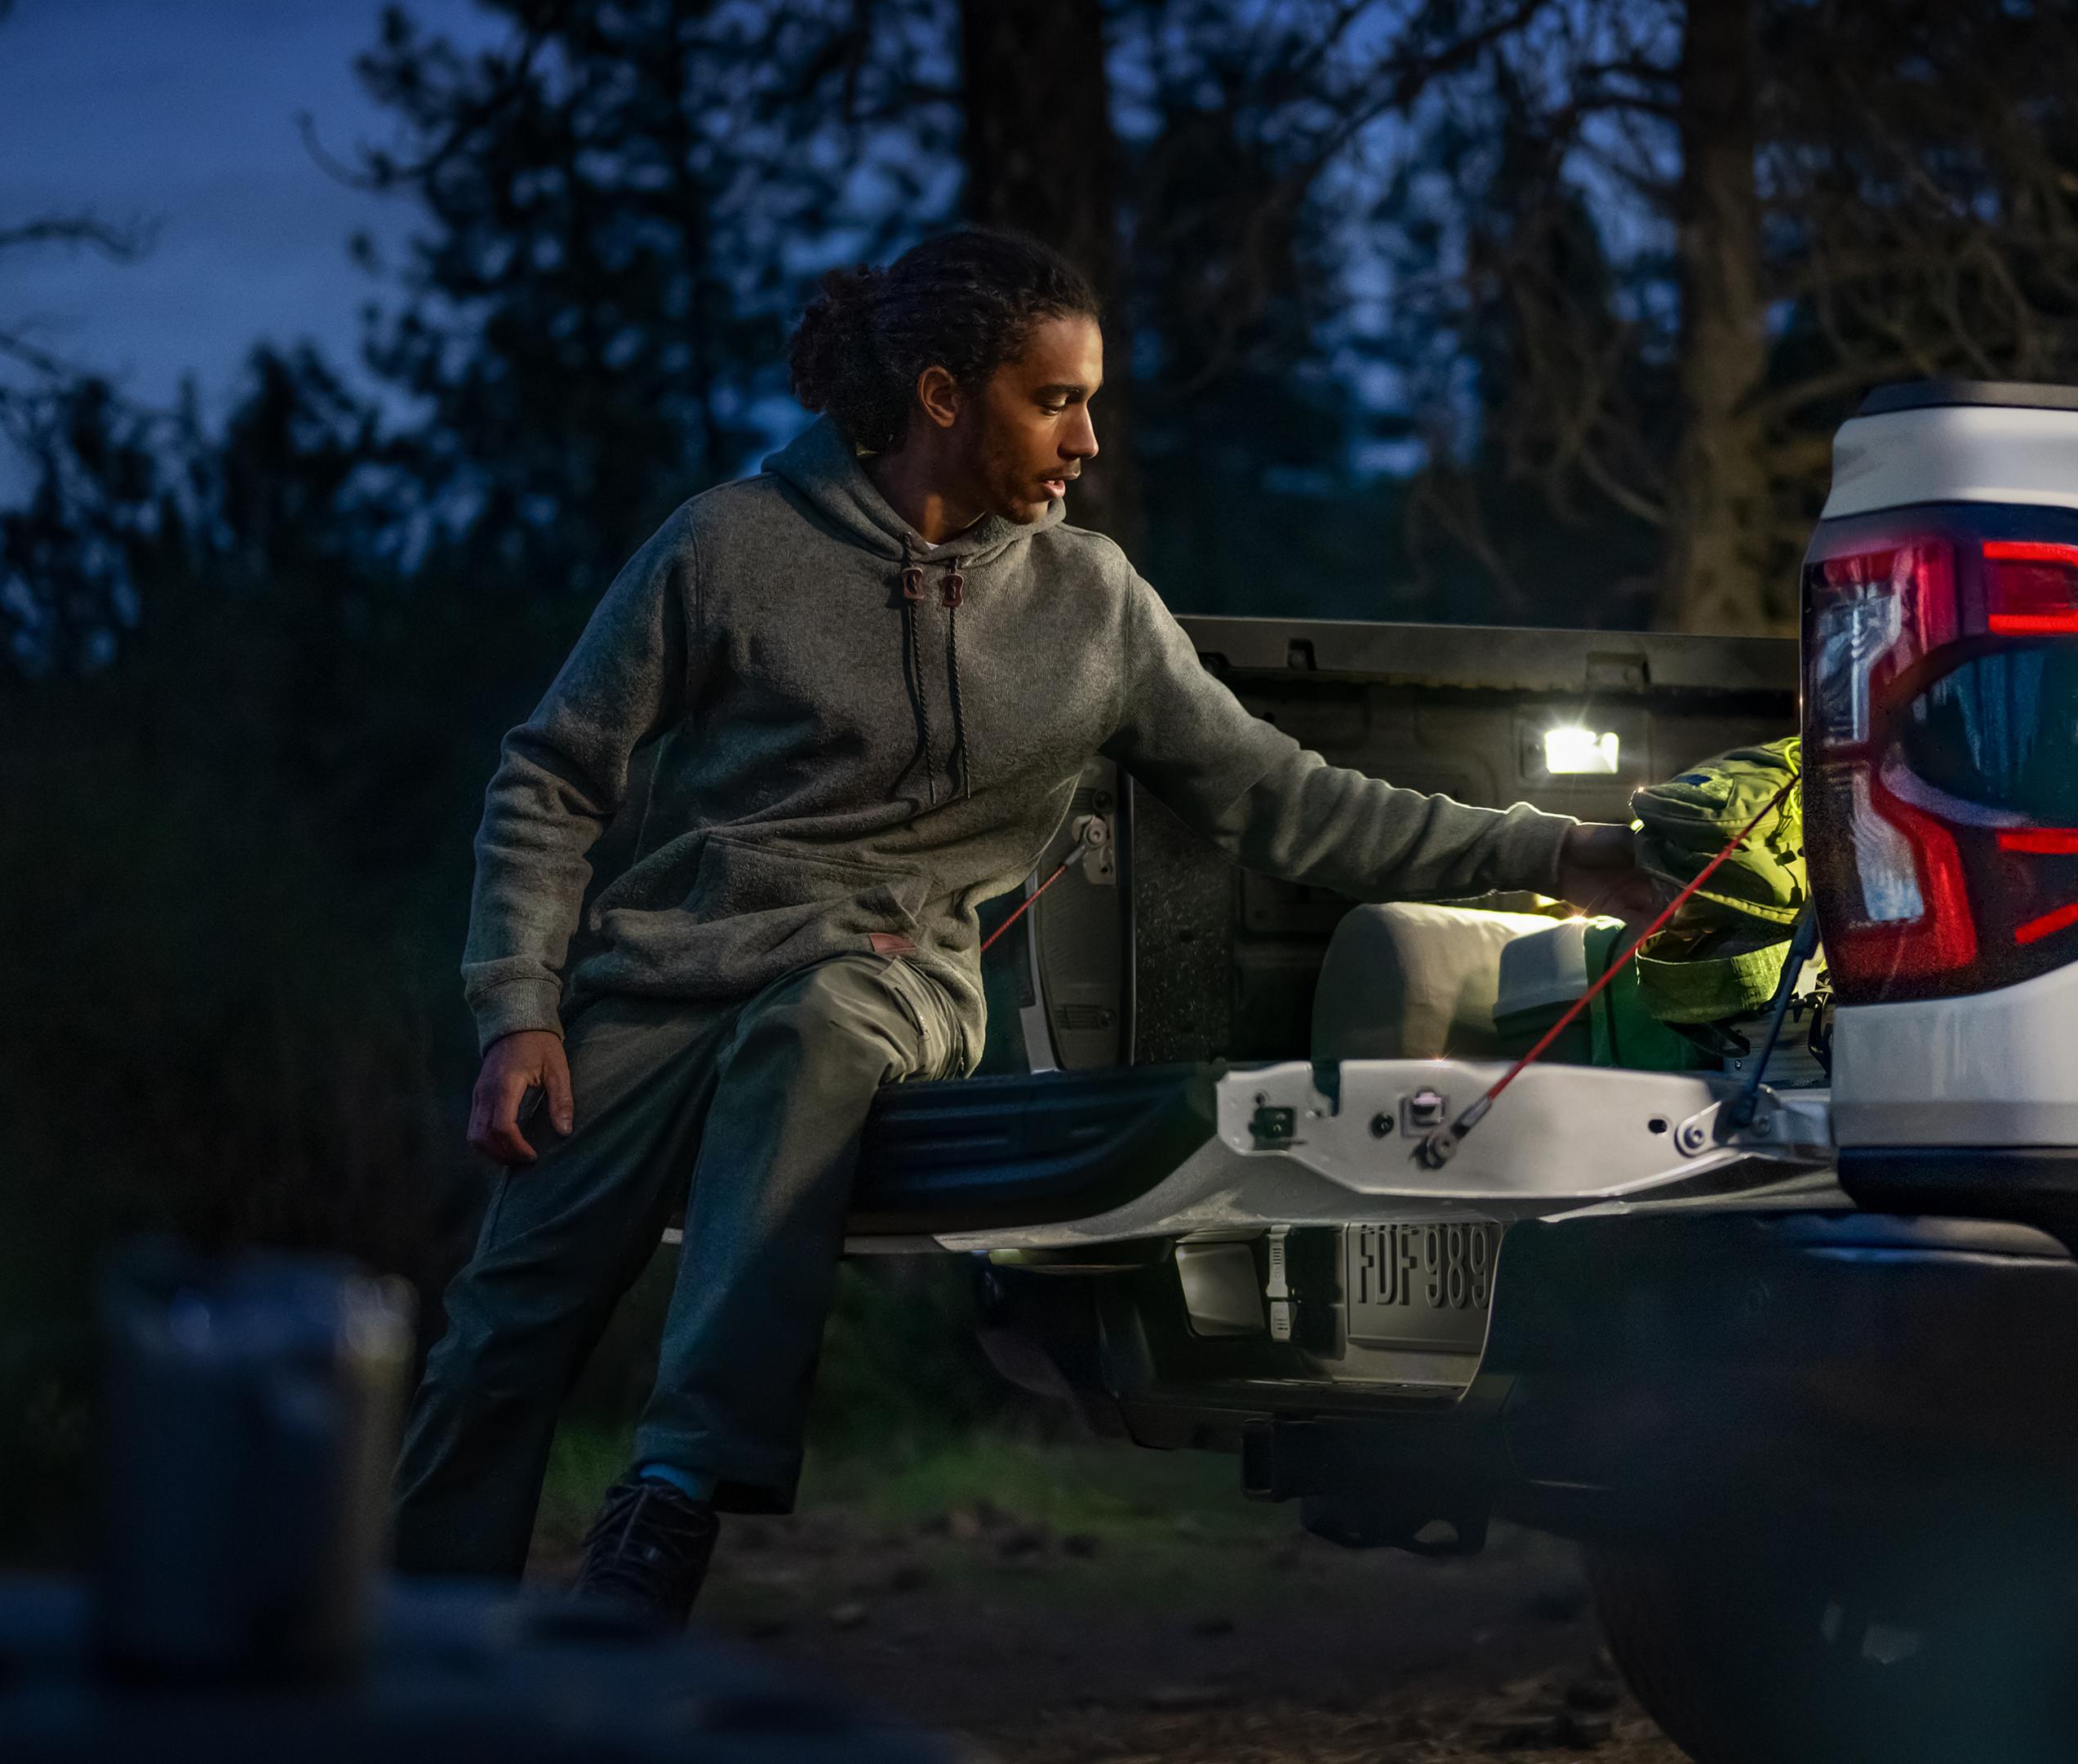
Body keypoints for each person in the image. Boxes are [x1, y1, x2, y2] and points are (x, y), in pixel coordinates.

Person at [388, 227, 1655, 1628]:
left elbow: (1287, 802)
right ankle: (403, 1656)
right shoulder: (729, 548)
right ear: (944, 396)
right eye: (1055, 401)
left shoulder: (1091, 602)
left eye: (1090, 401)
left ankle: (677, 1491)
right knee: (500, 1338)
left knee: (819, 1022)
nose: (1087, 439)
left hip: (892, 977)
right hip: (668, 979)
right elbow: (553, 772)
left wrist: (1559, 848)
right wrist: (520, 1005)